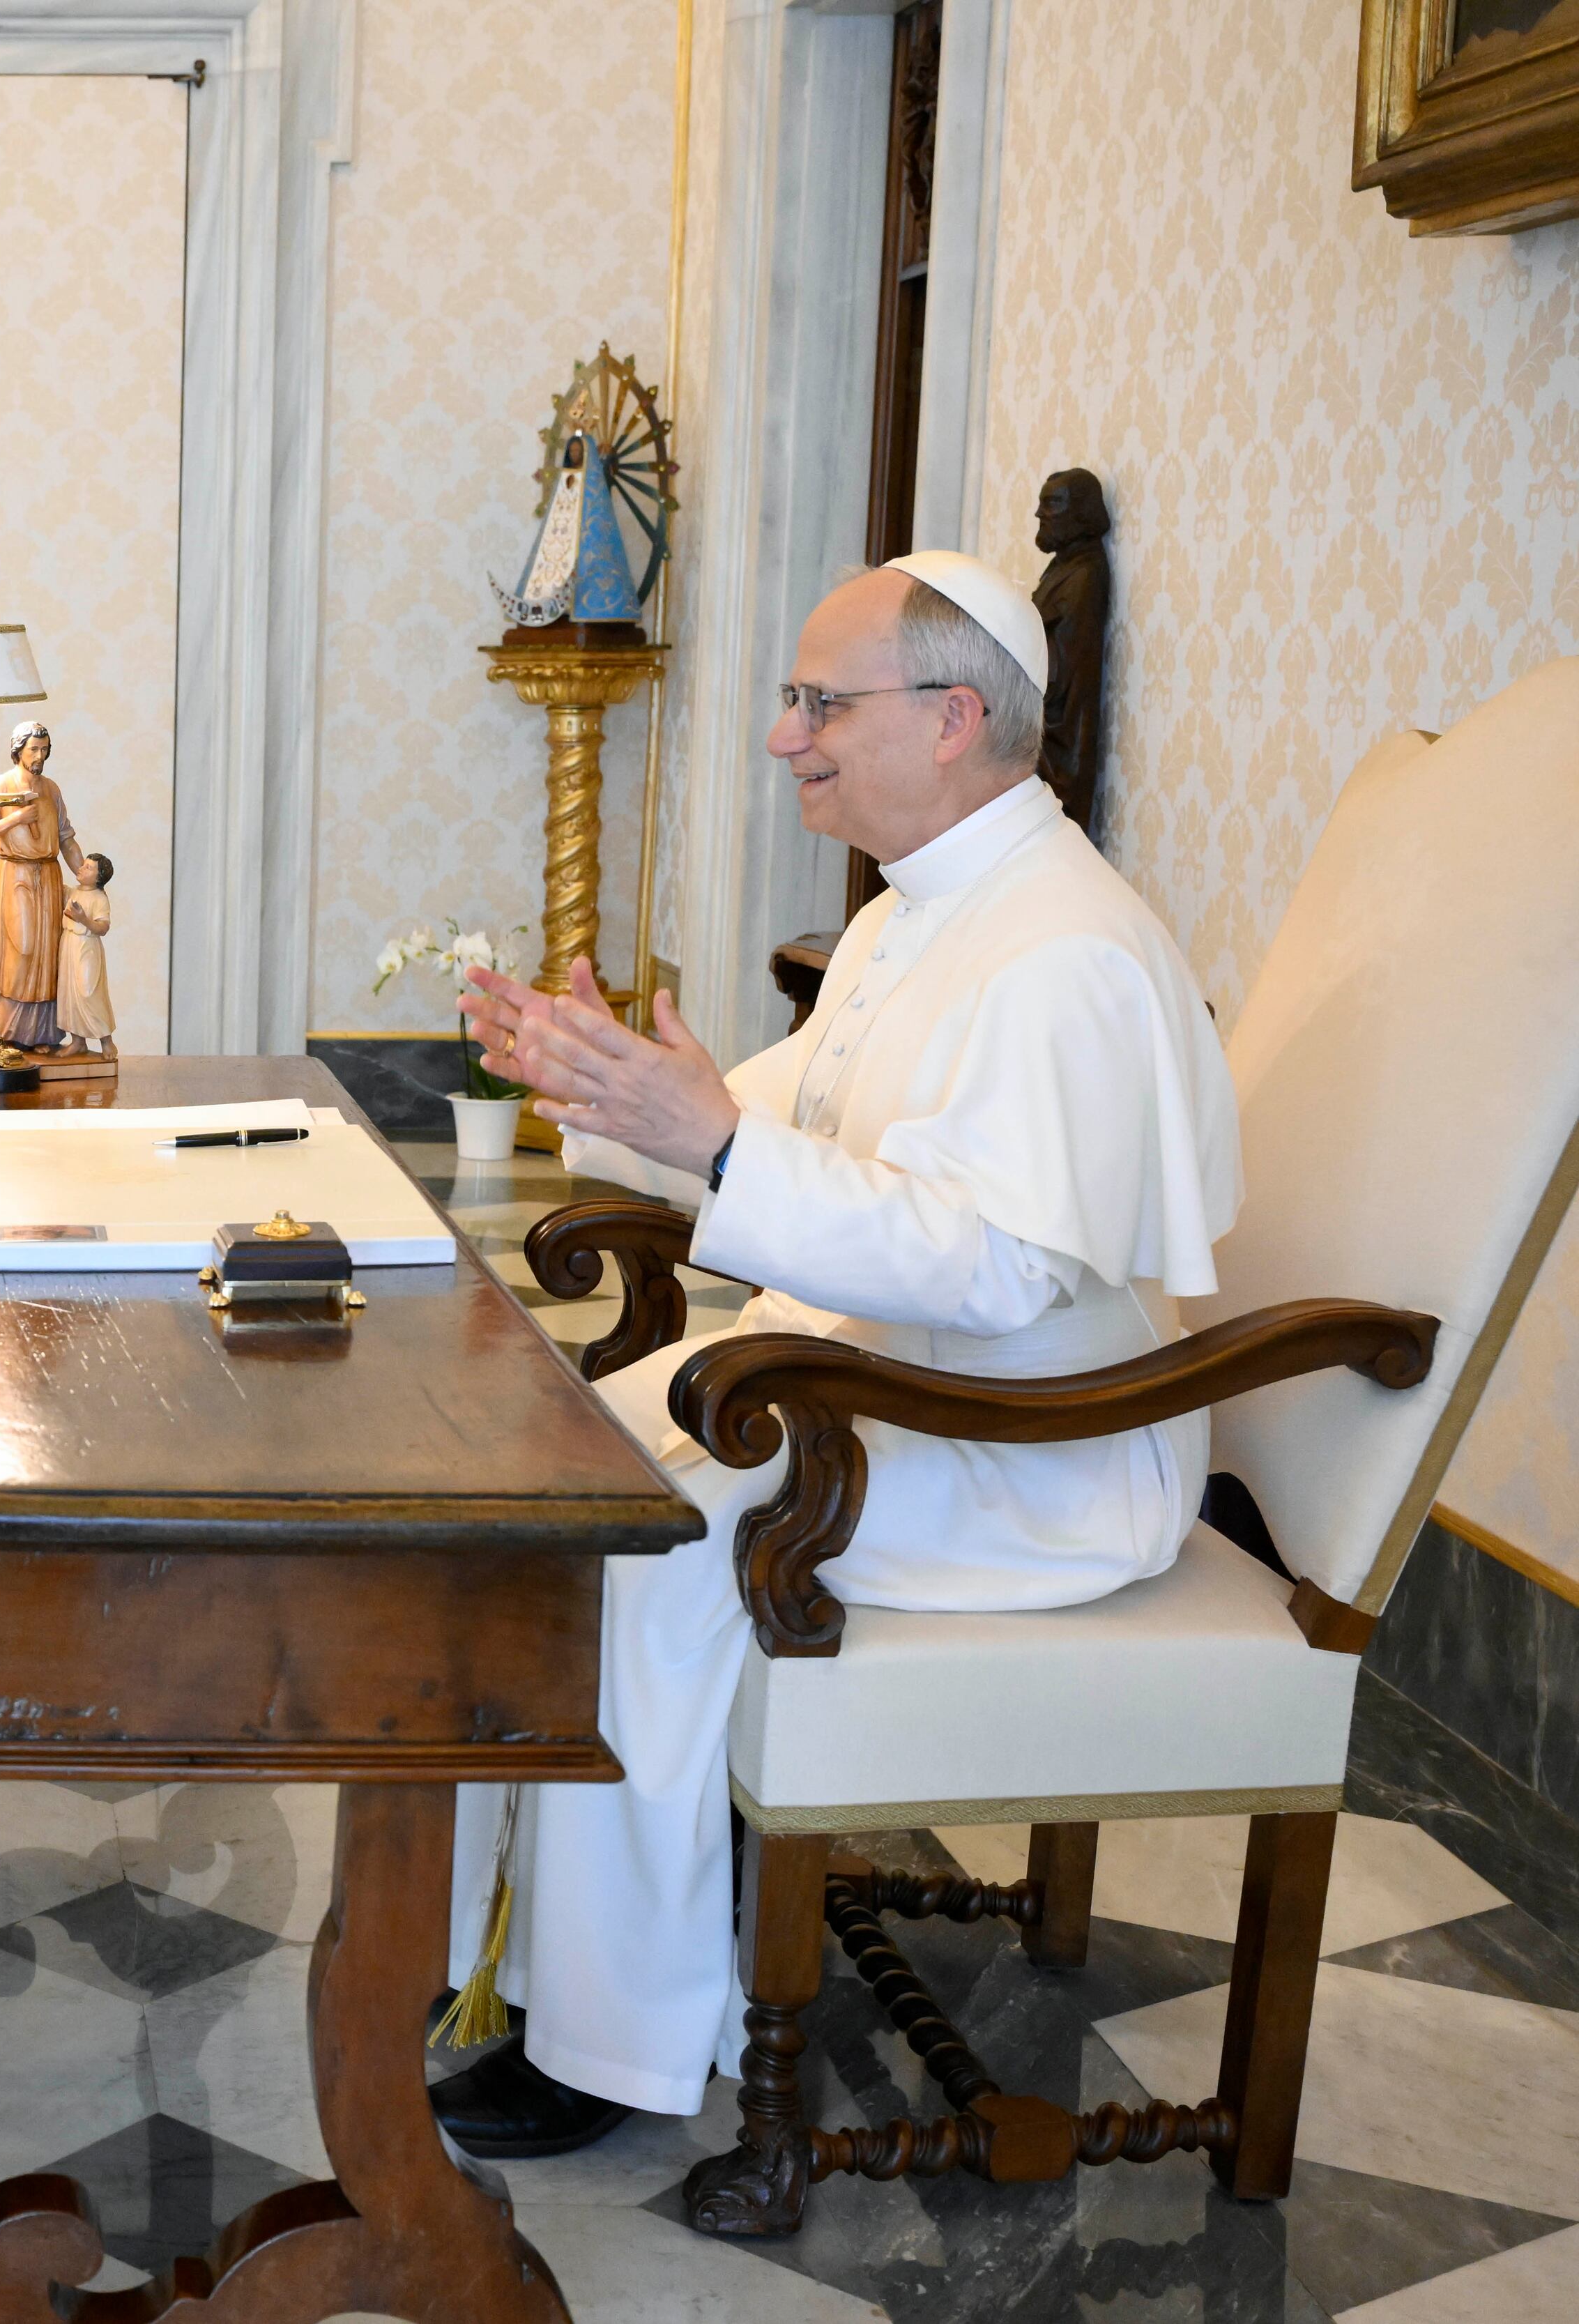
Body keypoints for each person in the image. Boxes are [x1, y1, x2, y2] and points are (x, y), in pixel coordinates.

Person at [429, 550, 1240, 2157]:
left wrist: (712, 1143)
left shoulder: (1058, 946)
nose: (786, 734)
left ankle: (617, 2043)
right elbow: (771, 1125)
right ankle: (490, 1963)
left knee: (650, 1547)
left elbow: (1004, 1269)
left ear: (950, 718)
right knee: (536, 1481)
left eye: (819, 701)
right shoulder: (917, 907)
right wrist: (619, 1096)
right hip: (892, 1392)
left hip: (1039, 1447)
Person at [0, 721, 86, 1050]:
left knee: (48, 952)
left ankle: (42, 1034)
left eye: (44, 750)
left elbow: (67, 838)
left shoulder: (51, 789)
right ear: (18, 751)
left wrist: (84, 877)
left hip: (49, 875)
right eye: (34, 750)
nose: (40, 756)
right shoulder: (0, 786)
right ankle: (7, 1031)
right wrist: (16, 818)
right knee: (21, 948)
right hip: (17, 875)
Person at [57, 851, 116, 1056]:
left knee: (88, 993)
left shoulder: (99, 898)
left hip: (87, 948)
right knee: (69, 993)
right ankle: (77, 1041)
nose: (81, 868)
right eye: (83, 865)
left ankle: (106, 1040)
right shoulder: (73, 892)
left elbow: (103, 928)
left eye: (89, 867)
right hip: (69, 945)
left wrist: (83, 919)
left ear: (99, 877)